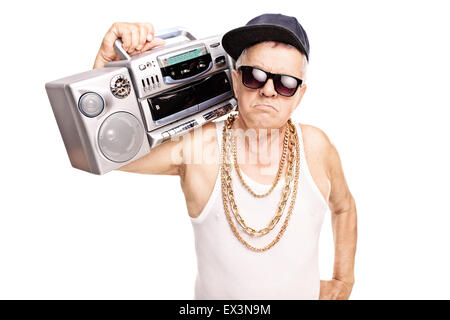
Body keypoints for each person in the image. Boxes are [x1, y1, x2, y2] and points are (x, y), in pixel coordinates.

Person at [93, 14, 357, 300]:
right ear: (235, 79)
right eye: (254, 76)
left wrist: (344, 279)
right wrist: (105, 67)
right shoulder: (199, 147)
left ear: (299, 95)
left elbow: (344, 207)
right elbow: (108, 154)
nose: (268, 91)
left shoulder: (316, 147)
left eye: (285, 83)